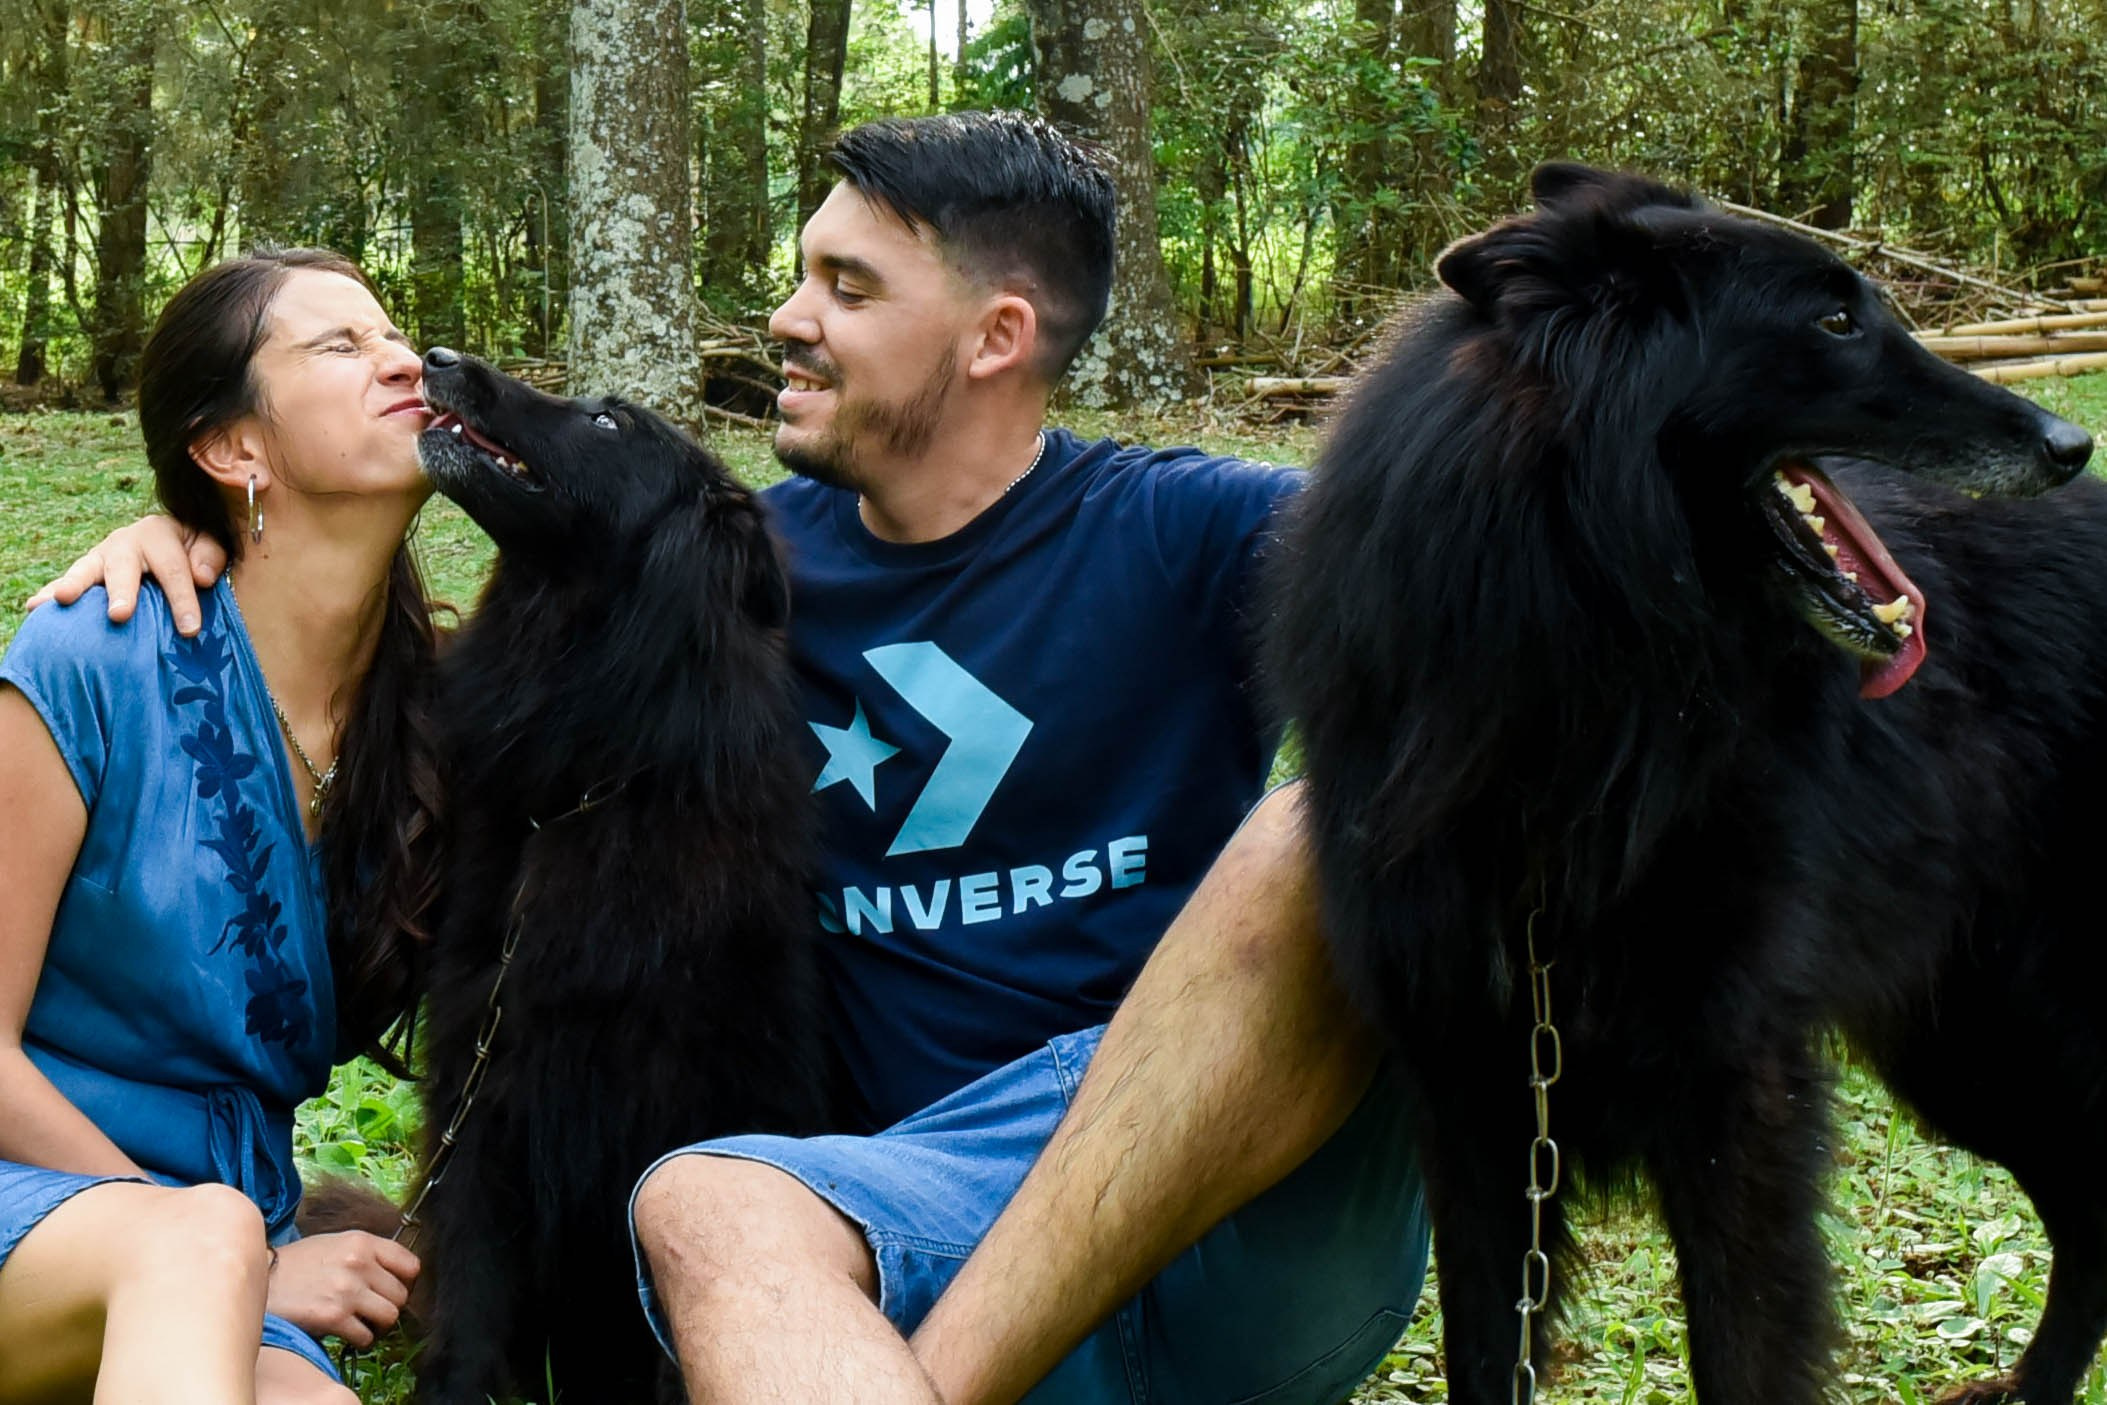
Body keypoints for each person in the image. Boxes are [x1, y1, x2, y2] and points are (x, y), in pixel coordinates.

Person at [41, 113, 1431, 1405]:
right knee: (702, 1207)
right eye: (800, 275)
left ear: (996, 335)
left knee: (1312, 840)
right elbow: (523, 677)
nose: (785, 319)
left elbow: (1512, 591)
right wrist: (195, 542)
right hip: (898, 1230)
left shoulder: (1189, 535)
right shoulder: (709, 571)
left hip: (1224, 1210)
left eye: (847, 285)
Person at [1, 250, 432, 1404]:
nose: (402, 361)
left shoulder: (438, 716)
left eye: (397, 336)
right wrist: (247, 1252)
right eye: (341, 347)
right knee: (195, 1245)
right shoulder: (92, 654)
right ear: (234, 448)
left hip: (225, 1249)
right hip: (37, 1198)